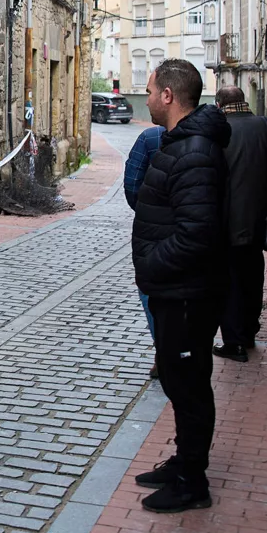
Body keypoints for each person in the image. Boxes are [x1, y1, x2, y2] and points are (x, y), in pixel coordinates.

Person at [130, 59, 231, 513]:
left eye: (150, 92)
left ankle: (192, 482)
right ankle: (184, 462)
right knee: (177, 379)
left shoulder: (192, 152)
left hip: (186, 291)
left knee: (189, 385)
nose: (147, 99)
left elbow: (197, 232)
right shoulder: (182, 144)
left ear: (168, 96)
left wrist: (152, 263)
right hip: (177, 290)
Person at [212, 86, 267, 362]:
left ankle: (234, 342)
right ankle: (249, 332)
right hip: (259, 219)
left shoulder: (218, 131)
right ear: (243, 102)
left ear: (219, 104)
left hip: (225, 222)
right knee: (252, 275)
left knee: (228, 280)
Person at [124, 123, 165, 377]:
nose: (147, 99)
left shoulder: (151, 138)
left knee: (150, 291)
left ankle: (164, 350)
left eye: (150, 93)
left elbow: (132, 183)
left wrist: (147, 211)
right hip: (200, 231)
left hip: (155, 233)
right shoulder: (211, 136)